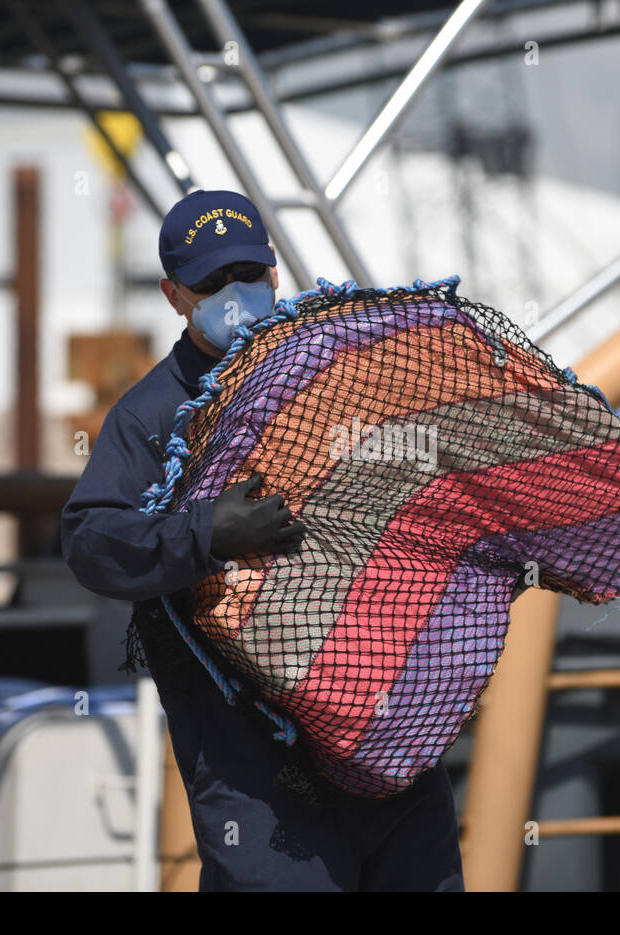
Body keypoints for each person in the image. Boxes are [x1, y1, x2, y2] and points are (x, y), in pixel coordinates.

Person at [62, 188, 470, 891]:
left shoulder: (347, 377)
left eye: (246, 273)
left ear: (274, 274)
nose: (234, 294)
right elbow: (91, 541)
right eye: (211, 283)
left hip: (385, 742)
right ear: (173, 295)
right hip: (253, 770)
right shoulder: (150, 417)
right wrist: (205, 530)